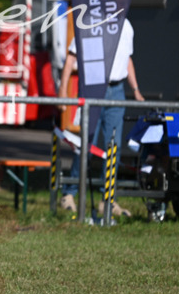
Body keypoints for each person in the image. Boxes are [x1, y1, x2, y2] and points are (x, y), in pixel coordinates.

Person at [57, 17, 144, 215]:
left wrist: (136, 89)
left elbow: (127, 59)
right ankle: (69, 194)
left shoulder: (127, 25)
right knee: (87, 143)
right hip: (93, 88)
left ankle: (108, 200)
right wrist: (62, 91)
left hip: (117, 89)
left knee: (113, 147)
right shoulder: (90, 21)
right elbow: (71, 58)